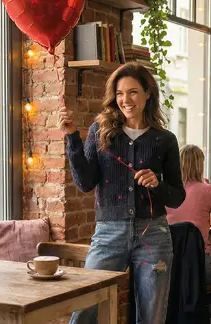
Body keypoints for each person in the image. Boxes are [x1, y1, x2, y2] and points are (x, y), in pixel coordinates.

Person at [60, 62, 186, 324]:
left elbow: (177, 197)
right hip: (109, 232)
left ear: (148, 93)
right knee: (85, 309)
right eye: (119, 93)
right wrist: (72, 137)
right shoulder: (100, 131)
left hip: (153, 234)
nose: (125, 100)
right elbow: (85, 183)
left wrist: (157, 184)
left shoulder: (165, 139)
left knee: (151, 317)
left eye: (133, 92)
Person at [165, 144, 211, 303]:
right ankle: (209, 311)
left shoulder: (167, 191)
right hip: (198, 263)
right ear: (200, 165)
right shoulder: (208, 190)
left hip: (168, 263)